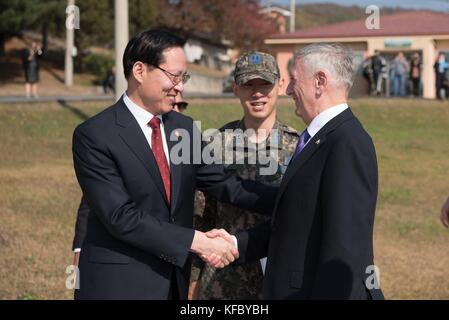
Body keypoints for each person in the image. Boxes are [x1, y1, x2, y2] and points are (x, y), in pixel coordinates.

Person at [72, 28, 276, 300]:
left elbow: (224, 183)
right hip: (119, 283)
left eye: (184, 78)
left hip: (172, 282)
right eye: (174, 76)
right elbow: (121, 217)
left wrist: (290, 198)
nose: (180, 87)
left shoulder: (184, 128)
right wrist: (197, 241)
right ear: (140, 71)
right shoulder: (95, 134)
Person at [211, 43, 384, 299]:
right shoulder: (320, 138)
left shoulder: (347, 143)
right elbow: (295, 218)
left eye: (294, 80)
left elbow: (344, 251)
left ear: (320, 81)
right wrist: (237, 244)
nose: (289, 89)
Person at [189, 52, 299, 300]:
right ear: (236, 88)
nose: (257, 93)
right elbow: (201, 219)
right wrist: (193, 283)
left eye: (265, 84)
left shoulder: (300, 148)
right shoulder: (214, 145)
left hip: (280, 281)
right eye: (248, 84)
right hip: (223, 283)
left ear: (280, 86)